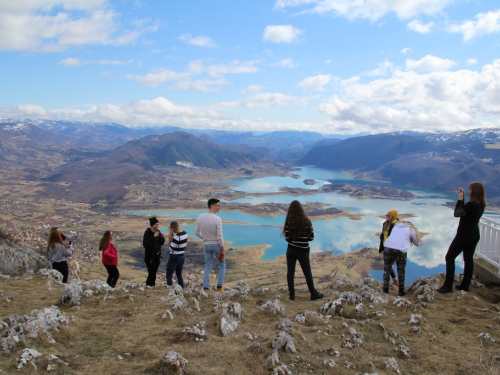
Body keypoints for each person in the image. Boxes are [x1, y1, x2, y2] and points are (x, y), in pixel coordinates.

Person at [438, 183, 486, 293]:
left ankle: (448, 286)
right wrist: (463, 200)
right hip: (474, 234)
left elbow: (457, 213)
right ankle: (465, 286)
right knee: (468, 260)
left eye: (470, 189)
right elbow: (464, 213)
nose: (469, 191)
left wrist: (460, 199)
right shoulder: (481, 205)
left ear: (474, 191)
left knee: (449, 257)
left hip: (464, 234)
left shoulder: (471, 205)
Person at [282, 200, 324, 301]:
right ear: (301, 209)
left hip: (291, 250)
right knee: (307, 273)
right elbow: (311, 238)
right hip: (303, 251)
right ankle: (313, 294)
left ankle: (292, 296)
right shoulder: (307, 221)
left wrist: (294, 240)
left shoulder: (289, 221)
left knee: (290, 272)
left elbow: (287, 238)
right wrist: (302, 239)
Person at [383, 220, 422, 296]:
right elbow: (417, 243)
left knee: (387, 268)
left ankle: (385, 289)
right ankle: (401, 291)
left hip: (388, 247)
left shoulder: (396, 226)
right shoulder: (411, 228)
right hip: (400, 250)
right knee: (401, 270)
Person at [195, 198, 226, 292]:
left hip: (207, 245)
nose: (219, 208)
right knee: (222, 264)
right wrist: (222, 247)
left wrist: (204, 238)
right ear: (212, 206)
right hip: (216, 245)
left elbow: (196, 232)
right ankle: (220, 286)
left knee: (208, 265)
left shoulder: (200, 216)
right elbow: (219, 235)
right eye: (218, 205)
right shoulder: (217, 219)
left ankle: (206, 287)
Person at [379, 210, 399, 287]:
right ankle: (395, 280)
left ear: (393, 217)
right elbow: (384, 236)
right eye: (387, 215)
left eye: (389, 216)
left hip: (392, 248)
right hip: (386, 248)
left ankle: (392, 281)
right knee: (387, 266)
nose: (387, 217)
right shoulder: (385, 224)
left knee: (387, 266)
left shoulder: (396, 226)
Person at [143, 217, 165, 287]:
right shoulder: (147, 233)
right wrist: (153, 237)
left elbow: (161, 243)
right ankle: (149, 286)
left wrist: (162, 238)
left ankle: (151, 286)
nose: (157, 226)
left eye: (158, 224)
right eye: (156, 224)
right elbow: (145, 244)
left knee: (154, 272)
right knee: (152, 273)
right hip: (150, 257)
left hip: (157, 256)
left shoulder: (158, 232)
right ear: (152, 225)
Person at [166, 221, 188, 288]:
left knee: (169, 274)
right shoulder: (185, 234)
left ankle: (170, 288)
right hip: (182, 256)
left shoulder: (177, 237)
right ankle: (181, 287)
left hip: (174, 257)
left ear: (172, 228)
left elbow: (171, 248)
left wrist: (170, 240)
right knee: (179, 274)